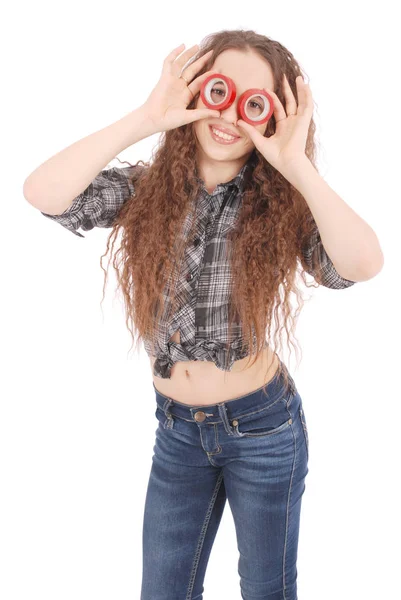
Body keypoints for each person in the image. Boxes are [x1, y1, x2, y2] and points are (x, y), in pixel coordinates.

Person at [23, 29, 383, 600]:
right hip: (177, 434)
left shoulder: (281, 208)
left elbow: (362, 263)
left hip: (264, 430)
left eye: (253, 104)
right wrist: (148, 117)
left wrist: (295, 164)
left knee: (267, 588)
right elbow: (44, 193)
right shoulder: (148, 192)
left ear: (273, 118)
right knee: (163, 590)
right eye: (219, 91)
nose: (229, 116)